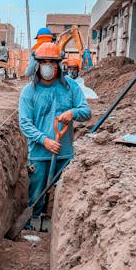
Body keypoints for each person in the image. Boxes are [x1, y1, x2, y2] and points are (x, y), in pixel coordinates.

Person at [19, 41, 91, 228]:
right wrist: (45, 140)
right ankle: (33, 223)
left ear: (59, 64)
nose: (48, 66)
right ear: (37, 65)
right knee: (37, 193)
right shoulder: (29, 92)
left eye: (52, 62)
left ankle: (58, 226)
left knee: (62, 193)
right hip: (39, 154)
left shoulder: (71, 87)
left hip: (64, 153)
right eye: (44, 62)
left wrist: (73, 113)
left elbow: (86, 112)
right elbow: (25, 123)